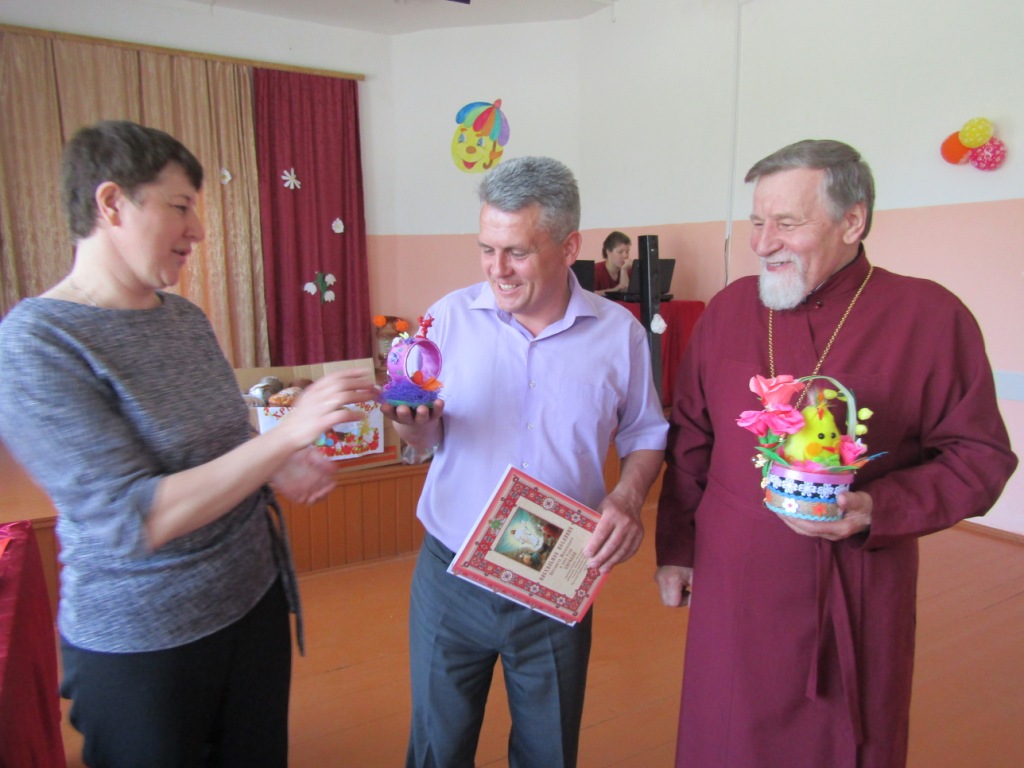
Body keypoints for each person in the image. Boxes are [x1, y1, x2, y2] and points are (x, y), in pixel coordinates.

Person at [0, 120, 379, 767]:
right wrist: (287, 434)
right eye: (180, 207)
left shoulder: (184, 318)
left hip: (252, 601)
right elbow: (132, 519)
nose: (197, 230)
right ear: (111, 203)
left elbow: (226, 437)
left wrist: (282, 463)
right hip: (146, 640)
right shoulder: (38, 343)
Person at [654, 139, 1017, 767]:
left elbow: (979, 457)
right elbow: (692, 436)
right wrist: (677, 549)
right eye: (757, 221)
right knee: (726, 738)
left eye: (787, 223)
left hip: (856, 584)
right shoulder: (730, 309)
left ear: (853, 221)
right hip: (734, 583)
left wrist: (878, 507)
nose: (763, 242)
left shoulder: (928, 316)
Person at [381, 156, 667, 768]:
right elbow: (423, 440)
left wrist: (627, 496)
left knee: (548, 748)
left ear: (569, 247)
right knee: (436, 747)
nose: (497, 269)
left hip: (556, 570)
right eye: (487, 249)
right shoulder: (447, 319)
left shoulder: (619, 334)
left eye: (516, 252)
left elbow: (645, 432)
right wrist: (416, 426)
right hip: (451, 570)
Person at [592, 230, 632, 294]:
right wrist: (614, 290)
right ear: (608, 252)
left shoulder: (629, 269)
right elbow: (588, 294)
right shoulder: (595, 270)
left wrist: (624, 270)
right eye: (620, 252)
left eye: (627, 252)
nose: (625, 256)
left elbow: (625, 292)